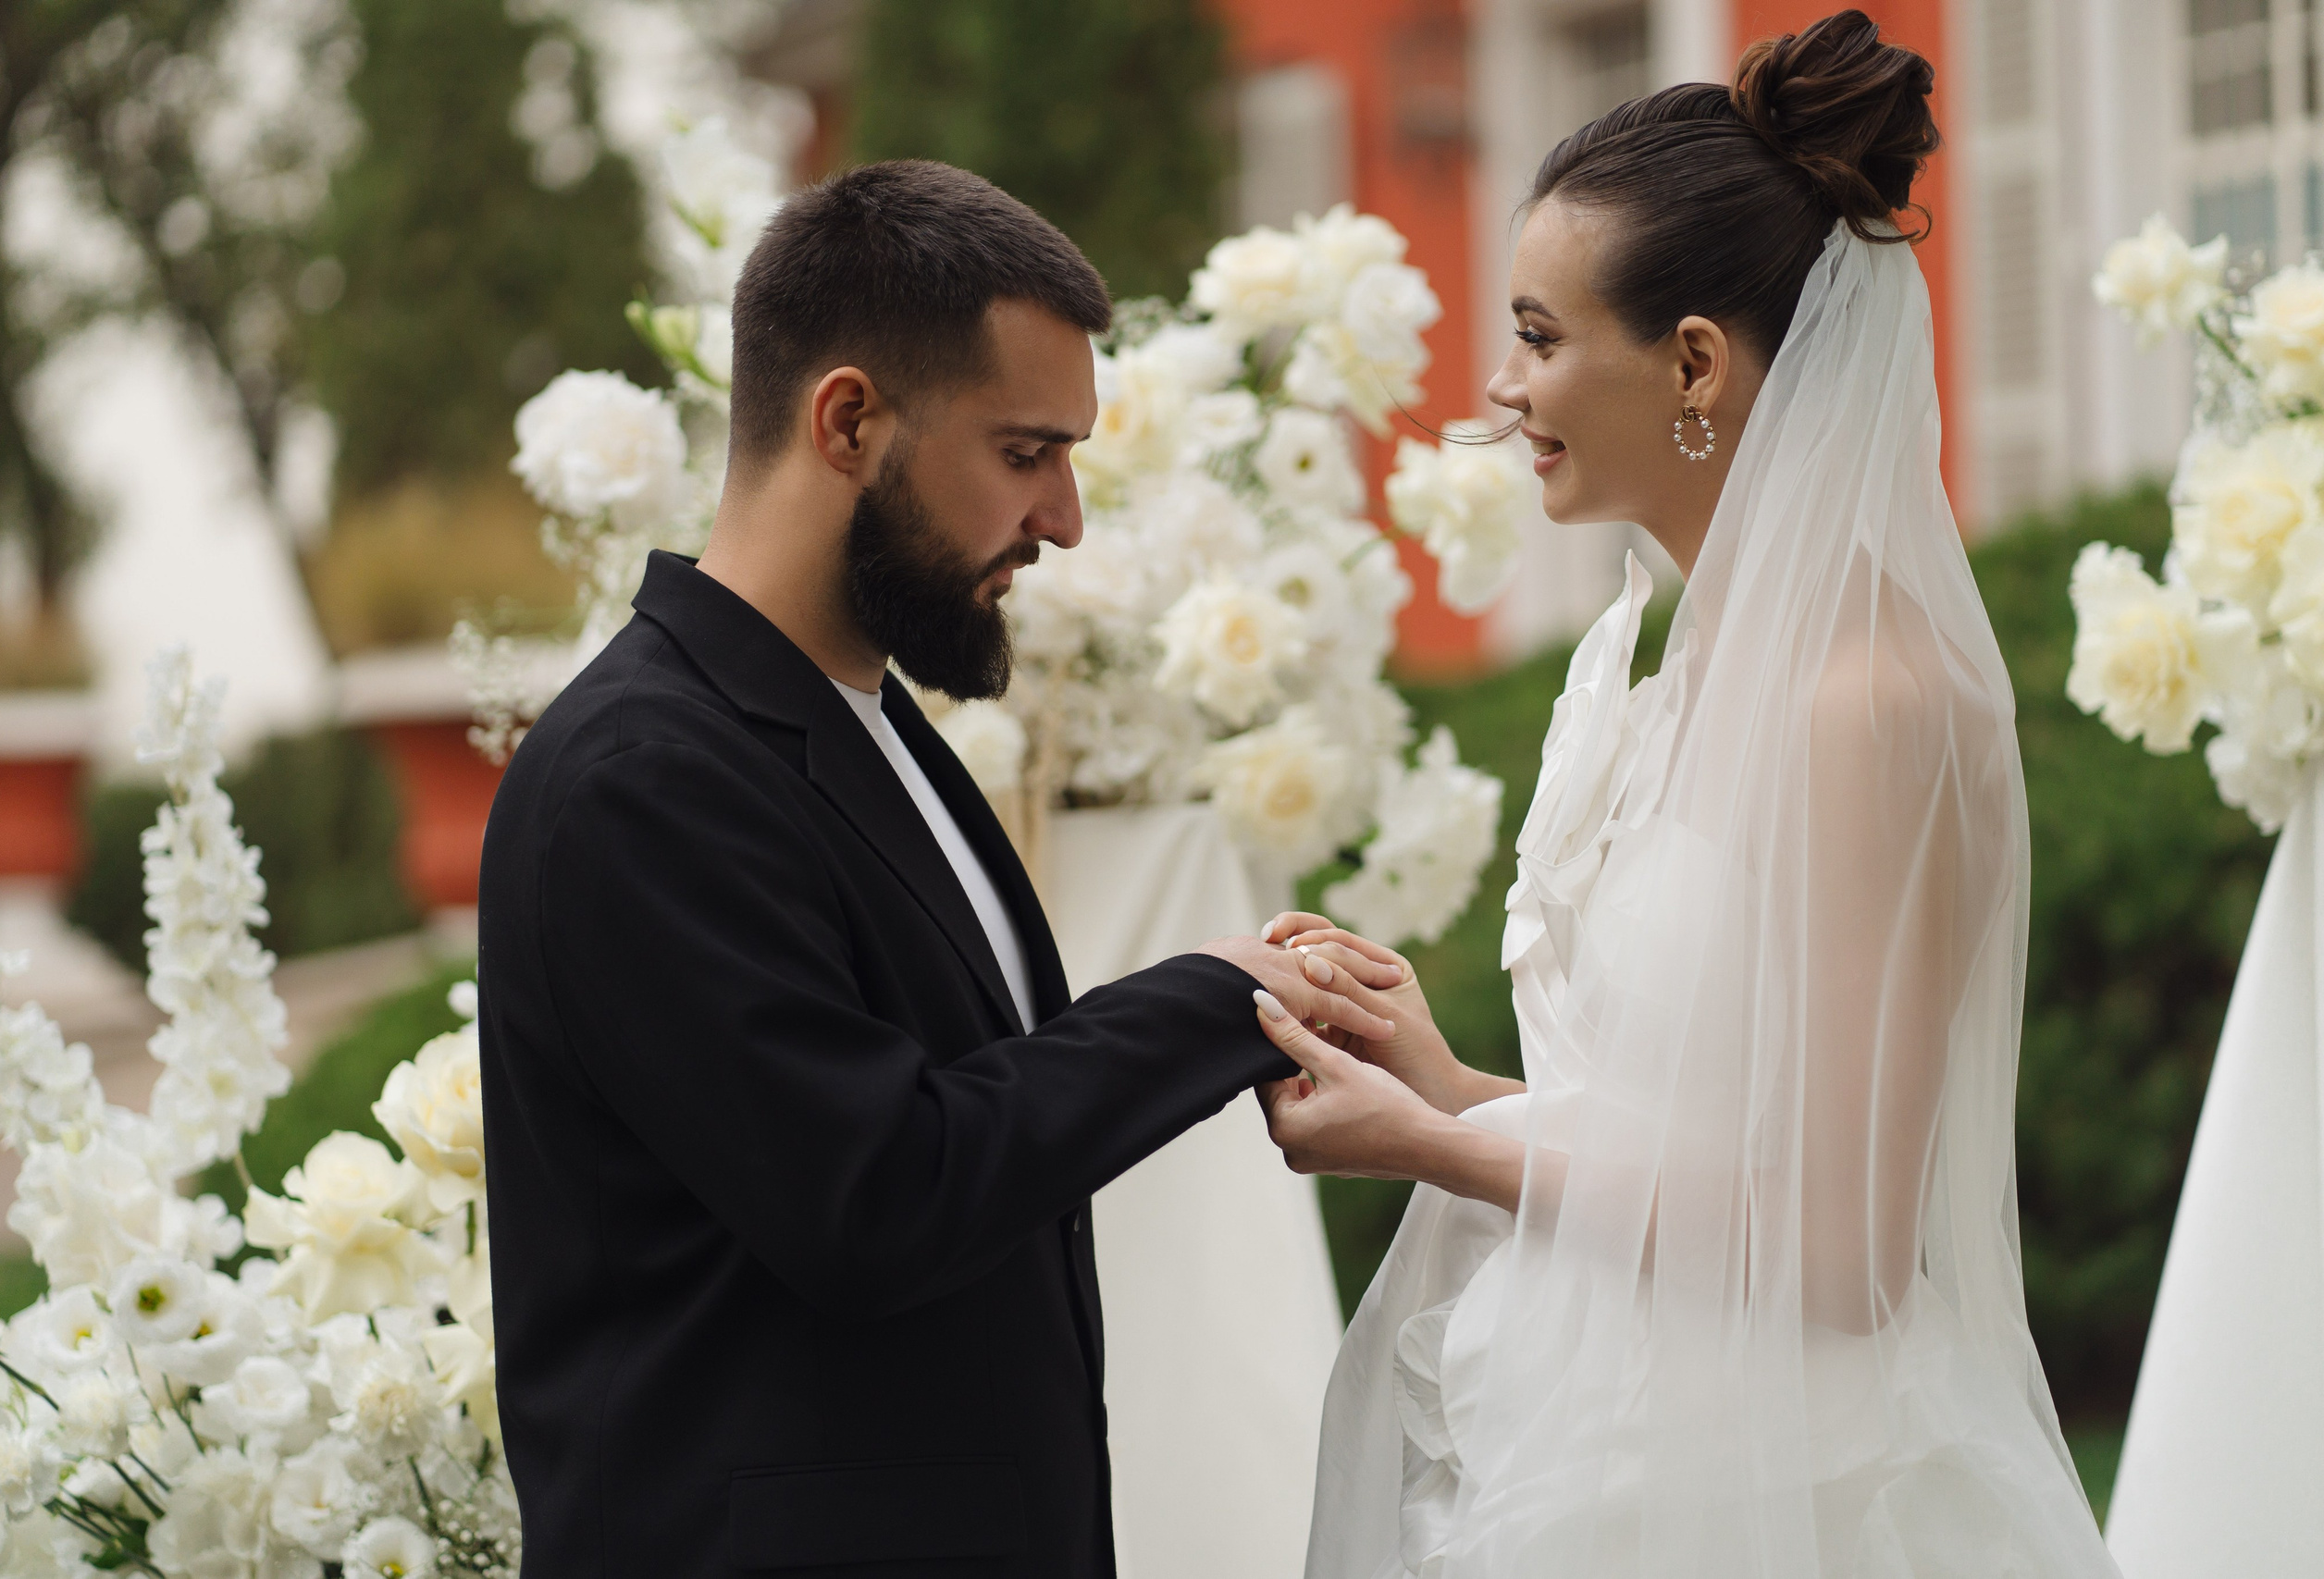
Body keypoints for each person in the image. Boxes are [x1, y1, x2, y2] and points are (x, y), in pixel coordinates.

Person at [1244, 14, 2123, 1576]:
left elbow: (1837, 1246)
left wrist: (1432, 1148)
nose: (1499, 388)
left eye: (1537, 333)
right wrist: (1439, 1079)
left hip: (1781, 1487)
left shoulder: (1868, 702)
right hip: (1596, 1425)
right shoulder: (1683, 665)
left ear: (1696, 363)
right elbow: (1695, 1148)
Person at [474, 160, 1396, 1579]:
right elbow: (880, 1195)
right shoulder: (641, 778)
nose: (1070, 518)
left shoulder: (876, 724)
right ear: (848, 419)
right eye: (1027, 453)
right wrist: (1215, 1001)